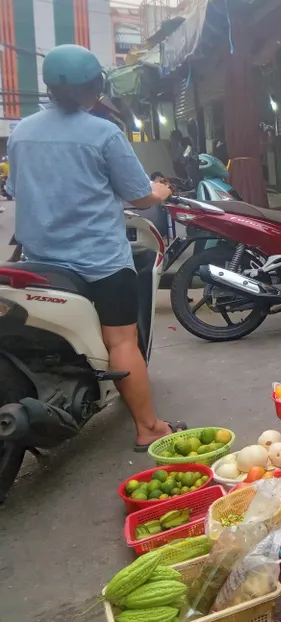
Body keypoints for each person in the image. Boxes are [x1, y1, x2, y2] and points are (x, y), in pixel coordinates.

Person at [7, 44, 181, 451]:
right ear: (94, 87)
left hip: (39, 262)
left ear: (49, 87)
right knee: (122, 341)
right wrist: (159, 191)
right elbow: (138, 197)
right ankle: (149, 428)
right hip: (98, 262)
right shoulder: (103, 132)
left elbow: (17, 189)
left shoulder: (21, 131)